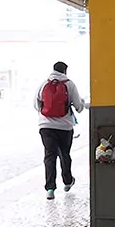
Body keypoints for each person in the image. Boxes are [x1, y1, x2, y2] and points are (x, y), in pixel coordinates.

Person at [34, 61, 85, 200]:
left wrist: (46, 114)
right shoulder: (69, 84)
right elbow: (79, 107)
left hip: (46, 127)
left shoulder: (44, 84)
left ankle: (50, 189)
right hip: (65, 127)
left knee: (50, 156)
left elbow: (36, 104)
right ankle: (67, 181)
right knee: (65, 154)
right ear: (65, 71)